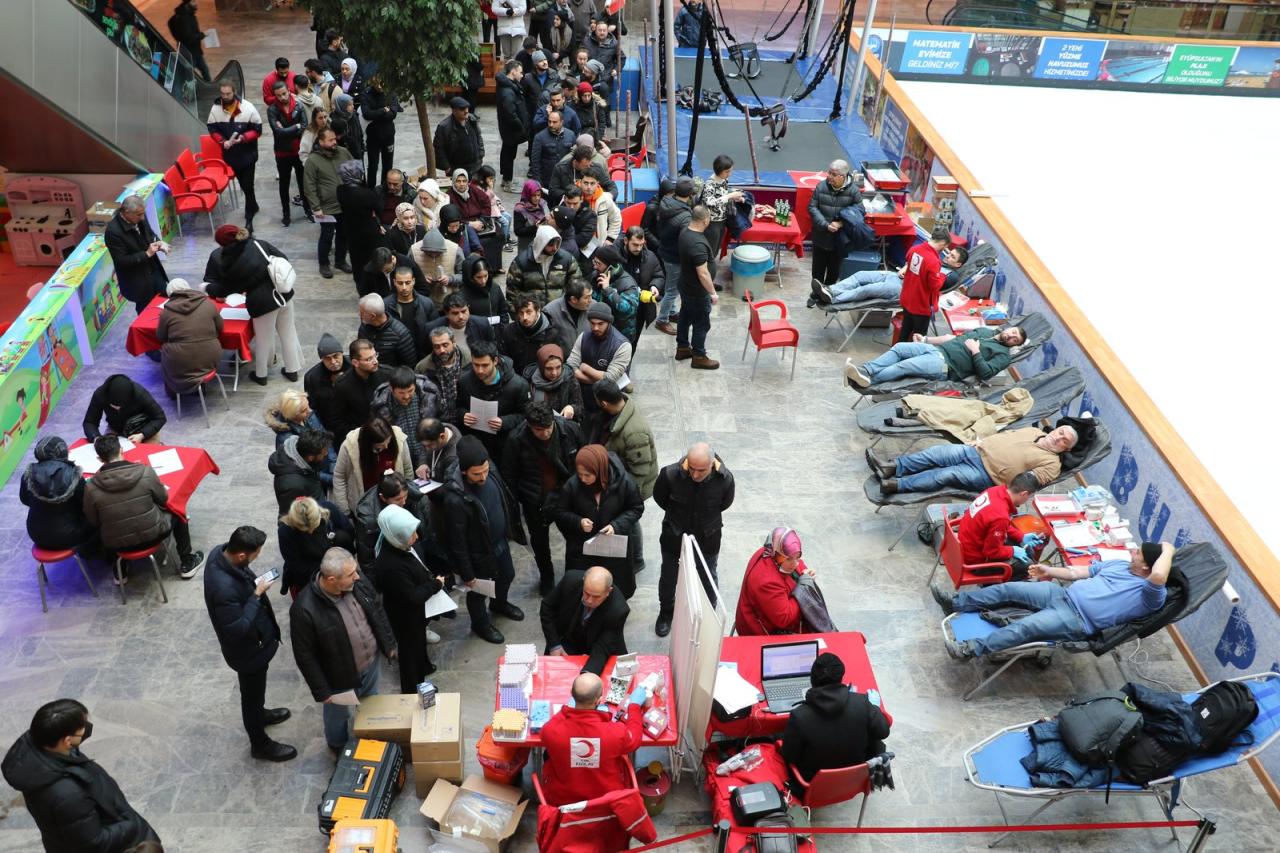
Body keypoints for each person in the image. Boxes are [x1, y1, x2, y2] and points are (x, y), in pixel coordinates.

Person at [936, 543, 1175, 659]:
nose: (1132, 552)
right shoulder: (1120, 564)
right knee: (1008, 588)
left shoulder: (1151, 594)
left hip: (1077, 619)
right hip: (1060, 594)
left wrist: (1168, 550)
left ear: (1146, 566)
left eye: (1138, 553)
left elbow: (1158, 576)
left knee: (1024, 627)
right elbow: (1077, 572)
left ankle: (969, 650)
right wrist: (1048, 571)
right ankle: (956, 603)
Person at [1, 698, 161, 852]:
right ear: (67, 740)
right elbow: (93, 843)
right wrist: (130, 825)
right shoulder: (68, 795)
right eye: (82, 728)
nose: (86, 729)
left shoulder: (42, 746)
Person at [203, 526, 297, 762]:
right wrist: (256, 595)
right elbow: (238, 629)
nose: (257, 556)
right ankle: (260, 744)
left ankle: (260, 714)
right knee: (251, 697)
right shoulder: (223, 589)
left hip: (255, 644)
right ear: (241, 555)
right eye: (256, 553)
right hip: (247, 652)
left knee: (255, 692)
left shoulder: (221, 553)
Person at [290, 547, 398, 751]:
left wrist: (389, 643)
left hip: (371, 663)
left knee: (371, 703)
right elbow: (305, 655)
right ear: (332, 580)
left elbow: (376, 609)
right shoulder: (304, 609)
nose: (357, 576)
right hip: (339, 677)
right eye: (351, 574)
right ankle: (338, 745)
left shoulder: (356, 581)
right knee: (337, 716)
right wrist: (322, 691)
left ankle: (370, 734)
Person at [440, 436, 527, 643]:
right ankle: (480, 624)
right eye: (477, 474)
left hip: (499, 543)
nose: (483, 477)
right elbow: (457, 541)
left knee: (507, 575)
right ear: (464, 471)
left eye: (485, 471)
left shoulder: (490, 471)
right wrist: (467, 573)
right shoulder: (454, 499)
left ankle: (499, 604)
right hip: (478, 554)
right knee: (478, 592)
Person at [82, 434, 203, 579]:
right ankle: (187, 561)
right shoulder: (145, 472)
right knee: (178, 512)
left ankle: (120, 571)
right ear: (121, 450)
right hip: (153, 535)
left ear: (100, 459)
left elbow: (94, 520)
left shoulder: (90, 486)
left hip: (117, 544)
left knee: (109, 524)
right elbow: (163, 499)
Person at [503, 401, 585, 593]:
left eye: (549, 427)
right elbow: (510, 475)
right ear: (529, 425)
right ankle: (546, 576)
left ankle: (572, 576)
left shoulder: (569, 430)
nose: (546, 433)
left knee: (574, 538)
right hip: (535, 501)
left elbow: (584, 457)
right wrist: (521, 499)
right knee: (539, 543)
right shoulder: (516, 440)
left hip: (566, 496)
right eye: (539, 430)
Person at [652, 443, 734, 636]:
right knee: (669, 577)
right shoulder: (670, 475)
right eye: (692, 468)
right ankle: (666, 612)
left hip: (708, 538)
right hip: (674, 537)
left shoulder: (725, 479)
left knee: (708, 578)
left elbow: (725, 503)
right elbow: (660, 498)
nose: (695, 475)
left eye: (701, 470)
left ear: (712, 464)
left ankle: (709, 615)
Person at [206, 225, 302, 385]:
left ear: (223, 244)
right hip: (283, 294)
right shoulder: (260, 243)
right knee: (289, 335)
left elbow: (225, 289)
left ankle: (261, 375)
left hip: (262, 303)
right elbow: (283, 257)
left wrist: (207, 288)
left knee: (263, 341)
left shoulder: (232, 262)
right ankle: (292, 371)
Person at [869, 424, 1078, 496]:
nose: (1058, 438)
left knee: (946, 474)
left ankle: (896, 485)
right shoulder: (1033, 431)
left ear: (1066, 449)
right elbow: (1006, 435)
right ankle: (892, 467)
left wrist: (1004, 490)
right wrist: (980, 441)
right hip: (977, 450)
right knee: (937, 452)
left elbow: (1027, 484)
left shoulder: (1052, 465)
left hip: (987, 476)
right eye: (1060, 432)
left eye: (1064, 441)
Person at [780, 653, 891, 785]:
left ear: (812, 679)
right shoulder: (862, 703)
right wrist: (874, 707)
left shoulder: (799, 716)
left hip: (814, 784)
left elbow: (789, 756)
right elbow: (883, 732)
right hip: (853, 781)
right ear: (841, 677)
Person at [538, 672, 646, 805]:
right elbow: (634, 739)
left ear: (572, 695)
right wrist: (634, 706)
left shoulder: (552, 731)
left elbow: (545, 731)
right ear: (598, 701)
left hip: (563, 803)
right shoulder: (615, 733)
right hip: (607, 802)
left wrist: (566, 710)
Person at [554, 444, 644, 598]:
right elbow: (560, 511)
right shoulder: (572, 485)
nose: (583, 479)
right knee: (583, 590)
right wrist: (578, 522)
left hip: (614, 549)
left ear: (600, 470)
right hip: (583, 549)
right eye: (580, 474)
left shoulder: (625, 482)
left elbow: (636, 508)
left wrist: (616, 525)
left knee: (615, 589)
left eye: (587, 475)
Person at [374, 505, 447, 692]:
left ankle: (420, 683)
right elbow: (412, 596)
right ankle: (413, 692)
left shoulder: (397, 544)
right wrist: (435, 585)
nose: (416, 537)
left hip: (413, 615)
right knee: (410, 658)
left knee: (417, 650)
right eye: (411, 534)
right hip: (405, 618)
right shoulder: (391, 565)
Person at [846, 325, 1028, 388]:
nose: (1011, 337)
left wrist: (976, 351)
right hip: (936, 350)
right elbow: (953, 338)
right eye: (1013, 332)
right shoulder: (985, 331)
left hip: (946, 366)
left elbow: (986, 373)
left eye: (1015, 339)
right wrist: (926, 339)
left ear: (1015, 345)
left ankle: (868, 381)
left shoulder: (1003, 356)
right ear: (1008, 328)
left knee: (904, 365)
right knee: (900, 348)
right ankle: (864, 370)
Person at [541, 565, 630, 673]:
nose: (589, 600)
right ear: (583, 582)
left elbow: (602, 648)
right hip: (567, 639)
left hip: (599, 645)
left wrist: (586, 674)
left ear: (608, 592)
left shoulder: (618, 610)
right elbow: (547, 608)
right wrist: (555, 645)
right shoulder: (570, 580)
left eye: (596, 597)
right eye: (586, 593)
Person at [814, 245, 968, 306]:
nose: (948, 257)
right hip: (896, 276)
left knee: (866, 289)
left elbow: (930, 286)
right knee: (860, 275)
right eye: (949, 253)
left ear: (958, 264)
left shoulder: (951, 276)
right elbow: (915, 260)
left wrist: (913, 273)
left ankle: (832, 299)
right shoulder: (936, 260)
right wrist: (906, 267)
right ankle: (830, 290)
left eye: (952, 257)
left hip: (904, 290)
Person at [20, 436, 98, 556]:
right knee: (100, 516)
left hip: (36, 535)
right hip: (70, 536)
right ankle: (93, 553)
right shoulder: (73, 474)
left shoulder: (28, 473)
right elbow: (86, 505)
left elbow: (25, 500)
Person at [957, 472, 1042, 580]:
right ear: (1024, 494)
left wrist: (1021, 537)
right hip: (975, 561)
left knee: (1028, 550)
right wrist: (1012, 550)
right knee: (1027, 566)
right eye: (1029, 497)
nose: (1027, 500)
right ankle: (995, 587)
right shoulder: (1000, 516)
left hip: (967, 542)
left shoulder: (994, 491)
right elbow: (991, 552)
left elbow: (997, 524)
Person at [456, 340, 532, 456]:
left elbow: (525, 415)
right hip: (476, 442)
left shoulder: (518, 385)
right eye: (476, 365)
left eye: (485, 365)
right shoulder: (464, 381)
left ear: (495, 361)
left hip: (504, 444)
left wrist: (504, 422)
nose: (480, 370)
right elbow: (458, 407)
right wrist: (463, 415)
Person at [735, 527, 812, 636]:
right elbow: (784, 618)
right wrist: (803, 589)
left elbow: (795, 561)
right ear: (777, 555)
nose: (795, 564)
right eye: (789, 559)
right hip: (761, 634)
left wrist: (804, 572)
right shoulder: (767, 581)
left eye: (798, 557)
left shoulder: (772, 550)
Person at [206, 83, 262, 231]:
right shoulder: (215, 109)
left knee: (247, 186)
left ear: (234, 92)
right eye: (223, 94)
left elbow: (257, 129)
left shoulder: (248, 108)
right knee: (244, 185)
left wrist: (243, 138)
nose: (225, 97)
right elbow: (212, 128)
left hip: (248, 154)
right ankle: (254, 205)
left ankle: (249, 218)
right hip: (231, 156)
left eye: (228, 94)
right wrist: (222, 141)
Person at [333, 416, 414, 517]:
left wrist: (405, 499)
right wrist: (345, 511)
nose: (386, 447)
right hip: (366, 508)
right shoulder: (350, 446)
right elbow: (339, 477)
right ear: (368, 443)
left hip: (396, 504)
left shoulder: (398, 439)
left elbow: (408, 470)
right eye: (380, 446)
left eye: (388, 441)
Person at [155, 278, 222, 397]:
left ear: (170, 294)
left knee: (165, 352)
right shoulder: (208, 303)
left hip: (180, 360)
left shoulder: (167, 312)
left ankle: (173, 393)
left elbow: (161, 337)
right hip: (210, 357)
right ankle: (200, 386)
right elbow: (220, 327)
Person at [302, 126, 354, 278]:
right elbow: (309, 186)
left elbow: (355, 172)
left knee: (343, 234)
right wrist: (316, 207)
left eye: (334, 139)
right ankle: (324, 263)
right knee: (327, 236)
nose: (334, 142)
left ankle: (340, 261)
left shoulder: (344, 153)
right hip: (326, 208)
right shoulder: (313, 160)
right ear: (321, 141)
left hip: (345, 204)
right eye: (330, 140)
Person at [103, 195, 168, 315]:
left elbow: (150, 233)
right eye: (139, 215)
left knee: (165, 303)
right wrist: (146, 254)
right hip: (138, 281)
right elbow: (121, 261)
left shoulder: (140, 215)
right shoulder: (113, 232)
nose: (142, 217)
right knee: (146, 313)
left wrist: (158, 242)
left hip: (154, 271)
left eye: (143, 213)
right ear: (126, 212)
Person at [279, 496, 355, 598]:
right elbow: (297, 566)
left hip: (338, 570)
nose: (310, 531)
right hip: (311, 579)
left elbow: (349, 533)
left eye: (313, 527)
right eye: (305, 530)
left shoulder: (329, 510)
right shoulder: (285, 531)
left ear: (320, 514)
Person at [371, 366, 442, 472]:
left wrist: (424, 459)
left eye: (410, 391)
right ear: (391, 389)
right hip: (400, 458)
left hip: (429, 453)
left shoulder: (429, 395)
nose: (407, 396)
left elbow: (441, 421)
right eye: (401, 393)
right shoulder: (381, 405)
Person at [567, 305, 632, 418]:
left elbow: (609, 379)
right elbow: (570, 366)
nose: (595, 327)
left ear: (609, 322)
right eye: (592, 323)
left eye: (600, 324)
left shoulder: (622, 345)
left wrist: (585, 368)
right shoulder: (583, 336)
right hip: (583, 397)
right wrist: (596, 378)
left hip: (609, 402)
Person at [675, 205, 719, 369]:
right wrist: (712, 292)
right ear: (705, 220)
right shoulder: (697, 244)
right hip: (697, 291)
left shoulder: (685, 232)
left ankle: (682, 348)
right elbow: (703, 273)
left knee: (685, 317)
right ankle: (699, 356)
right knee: (701, 323)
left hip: (686, 285)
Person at [807, 160, 863, 288]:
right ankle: (816, 294)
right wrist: (825, 225)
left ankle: (829, 294)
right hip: (821, 236)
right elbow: (812, 208)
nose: (829, 176)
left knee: (834, 273)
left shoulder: (854, 191)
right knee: (817, 272)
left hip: (840, 240)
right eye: (829, 173)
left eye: (833, 174)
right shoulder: (821, 187)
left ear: (843, 176)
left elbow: (860, 211)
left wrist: (841, 223)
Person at [507, 224, 584, 314]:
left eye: (557, 243)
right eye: (550, 244)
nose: (555, 248)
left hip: (559, 314)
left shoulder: (567, 260)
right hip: (532, 316)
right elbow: (512, 294)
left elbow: (577, 286)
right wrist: (519, 316)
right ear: (541, 242)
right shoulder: (521, 262)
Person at [265, 80, 310, 228]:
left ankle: (308, 209)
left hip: (298, 151)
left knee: (303, 182)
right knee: (284, 184)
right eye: (278, 95)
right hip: (282, 152)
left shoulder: (298, 105)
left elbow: (304, 126)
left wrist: (286, 130)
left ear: (289, 91)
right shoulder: (272, 110)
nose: (282, 97)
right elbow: (277, 132)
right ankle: (286, 214)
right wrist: (295, 127)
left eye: (284, 94)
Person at [652, 176, 694, 334]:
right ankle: (662, 320)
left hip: (665, 250)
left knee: (671, 285)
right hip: (675, 256)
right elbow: (686, 240)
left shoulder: (666, 203)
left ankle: (671, 311)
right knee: (672, 290)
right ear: (690, 194)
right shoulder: (685, 216)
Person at [895, 227, 953, 343]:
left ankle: (898, 351)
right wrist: (943, 276)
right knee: (919, 339)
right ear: (942, 242)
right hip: (921, 305)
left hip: (908, 298)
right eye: (945, 246)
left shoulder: (914, 249)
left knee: (905, 331)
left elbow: (909, 264)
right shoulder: (933, 261)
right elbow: (934, 286)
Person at [336, 159, 384, 285]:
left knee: (356, 259)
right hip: (368, 231)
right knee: (370, 258)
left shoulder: (340, 190)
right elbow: (378, 208)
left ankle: (360, 283)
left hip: (351, 230)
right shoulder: (366, 194)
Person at [332, 339, 393, 439]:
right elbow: (338, 419)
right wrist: (356, 436)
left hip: (388, 432)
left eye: (375, 355)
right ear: (355, 362)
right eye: (369, 359)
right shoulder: (343, 385)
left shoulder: (387, 374)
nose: (375, 361)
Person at [82, 374, 165, 444]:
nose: (118, 409)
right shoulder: (100, 394)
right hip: (115, 428)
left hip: (142, 428)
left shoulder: (139, 393)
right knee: (108, 454)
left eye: (121, 406)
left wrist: (142, 434)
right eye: (114, 406)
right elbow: (89, 422)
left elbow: (160, 417)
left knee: (146, 454)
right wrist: (96, 438)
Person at [268, 429, 332, 514]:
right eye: (323, 453)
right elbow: (291, 516)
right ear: (311, 457)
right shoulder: (292, 485)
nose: (326, 454)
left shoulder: (304, 460)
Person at [699, 155, 745, 269]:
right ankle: (706, 275)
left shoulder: (724, 180)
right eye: (727, 171)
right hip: (712, 222)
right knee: (710, 251)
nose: (729, 174)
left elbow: (723, 195)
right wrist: (730, 196)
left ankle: (710, 273)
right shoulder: (710, 184)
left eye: (730, 171)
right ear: (719, 170)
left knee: (715, 250)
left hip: (722, 220)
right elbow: (710, 202)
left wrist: (735, 197)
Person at [384, 265, 438, 359]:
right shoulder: (386, 305)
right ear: (394, 282)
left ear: (413, 281)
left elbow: (436, 330)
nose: (404, 287)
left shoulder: (426, 304)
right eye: (400, 283)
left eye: (407, 283)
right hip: (396, 356)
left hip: (422, 354)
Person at [587, 244, 639, 341]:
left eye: (598, 263)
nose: (595, 266)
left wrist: (608, 290)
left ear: (610, 267)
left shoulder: (628, 284)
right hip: (597, 330)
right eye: (594, 262)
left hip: (619, 335)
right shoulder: (596, 275)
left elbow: (627, 310)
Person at [417, 327, 469, 422]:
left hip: (465, 418)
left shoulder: (469, 361)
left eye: (445, 345)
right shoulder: (423, 368)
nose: (442, 350)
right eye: (437, 347)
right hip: (439, 420)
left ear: (453, 342)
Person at [501, 293, 561, 374]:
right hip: (516, 377)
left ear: (538, 311)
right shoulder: (509, 331)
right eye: (521, 313)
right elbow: (505, 360)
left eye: (528, 312)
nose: (524, 317)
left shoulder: (551, 333)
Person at [304, 333, 350, 437]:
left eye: (336, 356)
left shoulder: (354, 366)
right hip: (329, 426)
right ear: (322, 359)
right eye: (327, 358)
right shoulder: (312, 378)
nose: (333, 361)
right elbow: (312, 408)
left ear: (342, 354)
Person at [356, 293, 417, 368]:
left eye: (362, 313)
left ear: (372, 316)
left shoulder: (400, 334)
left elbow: (409, 365)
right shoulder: (364, 326)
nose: (359, 314)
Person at [361, 76, 402, 188]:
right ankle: (371, 189)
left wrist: (376, 113)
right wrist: (383, 110)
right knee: (373, 165)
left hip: (388, 134)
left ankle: (386, 187)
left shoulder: (391, 93)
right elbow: (366, 114)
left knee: (388, 164)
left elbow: (392, 114)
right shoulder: (366, 94)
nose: (379, 87)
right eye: (376, 84)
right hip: (373, 135)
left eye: (381, 84)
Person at [496, 61, 530, 191]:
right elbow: (510, 114)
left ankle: (506, 179)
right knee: (509, 155)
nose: (522, 75)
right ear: (513, 72)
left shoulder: (509, 86)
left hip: (510, 130)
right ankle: (507, 182)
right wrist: (520, 126)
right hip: (511, 130)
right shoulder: (507, 91)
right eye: (520, 72)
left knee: (508, 154)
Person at [548, 144, 615, 207]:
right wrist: (571, 194)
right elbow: (553, 190)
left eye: (589, 163)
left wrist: (610, 195)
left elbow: (610, 185)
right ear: (575, 162)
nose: (589, 167)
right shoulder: (561, 168)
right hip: (569, 206)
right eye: (585, 165)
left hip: (592, 206)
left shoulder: (595, 167)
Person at [434, 97, 486, 176]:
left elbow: (478, 136)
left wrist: (481, 154)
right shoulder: (444, 127)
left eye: (467, 108)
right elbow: (438, 149)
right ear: (454, 111)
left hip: (475, 166)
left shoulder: (472, 119)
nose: (466, 111)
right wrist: (446, 167)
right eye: (462, 109)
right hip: (457, 168)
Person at [544, 276, 593, 355]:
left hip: (589, 359)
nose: (590, 300)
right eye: (586, 297)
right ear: (573, 299)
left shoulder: (594, 307)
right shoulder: (550, 311)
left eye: (591, 295)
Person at [359, 246, 427, 300]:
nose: (384, 272)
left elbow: (423, 289)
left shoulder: (408, 264)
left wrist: (410, 300)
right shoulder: (369, 271)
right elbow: (364, 295)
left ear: (393, 259)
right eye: (381, 271)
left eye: (387, 270)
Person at [458, 257, 510, 324]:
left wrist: (502, 327)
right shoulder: (462, 295)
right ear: (470, 277)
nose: (483, 281)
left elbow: (503, 312)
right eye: (479, 277)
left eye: (485, 276)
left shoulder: (495, 288)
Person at [531, 110, 575, 187]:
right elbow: (535, 162)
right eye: (549, 121)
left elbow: (574, 157)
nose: (551, 125)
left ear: (561, 122)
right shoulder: (539, 137)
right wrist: (538, 182)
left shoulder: (571, 135)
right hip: (547, 180)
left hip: (566, 179)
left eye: (554, 122)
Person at [168, 0, 210, 80]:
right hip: (189, 53)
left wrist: (178, 38)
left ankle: (208, 85)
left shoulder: (185, 14)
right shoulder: (184, 18)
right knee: (190, 76)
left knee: (205, 71)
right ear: (187, 4)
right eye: (193, 1)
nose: (196, 3)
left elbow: (170, 22)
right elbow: (189, 37)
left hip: (195, 51)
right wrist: (202, 35)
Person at [513, 181, 552, 254]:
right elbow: (518, 231)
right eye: (533, 195)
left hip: (542, 245)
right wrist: (535, 227)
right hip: (526, 246)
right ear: (528, 194)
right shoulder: (520, 209)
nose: (537, 198)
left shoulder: (543, 203)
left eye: (539, 195)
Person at [417, 419, 461, 483]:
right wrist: (423, 463)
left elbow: (450, 483)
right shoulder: (436, 429)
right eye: (424, 446)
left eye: (430, 445)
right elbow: (424, 447)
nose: (427, 449)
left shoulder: (453, 455)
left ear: (442, 436)